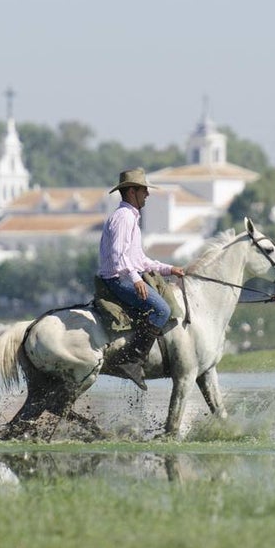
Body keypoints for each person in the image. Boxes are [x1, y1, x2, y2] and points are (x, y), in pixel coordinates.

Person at [98, 167, 185, 390]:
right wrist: (136, 280)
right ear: (131, 192)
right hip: (119, 279)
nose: (147, 194)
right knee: (163, 310)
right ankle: (131, 361)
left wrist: (169, 269)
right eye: (144, 190)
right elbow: (119, 258)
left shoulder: (131, 218)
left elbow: (140, 260)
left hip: (126, 275)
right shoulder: (124, 218)